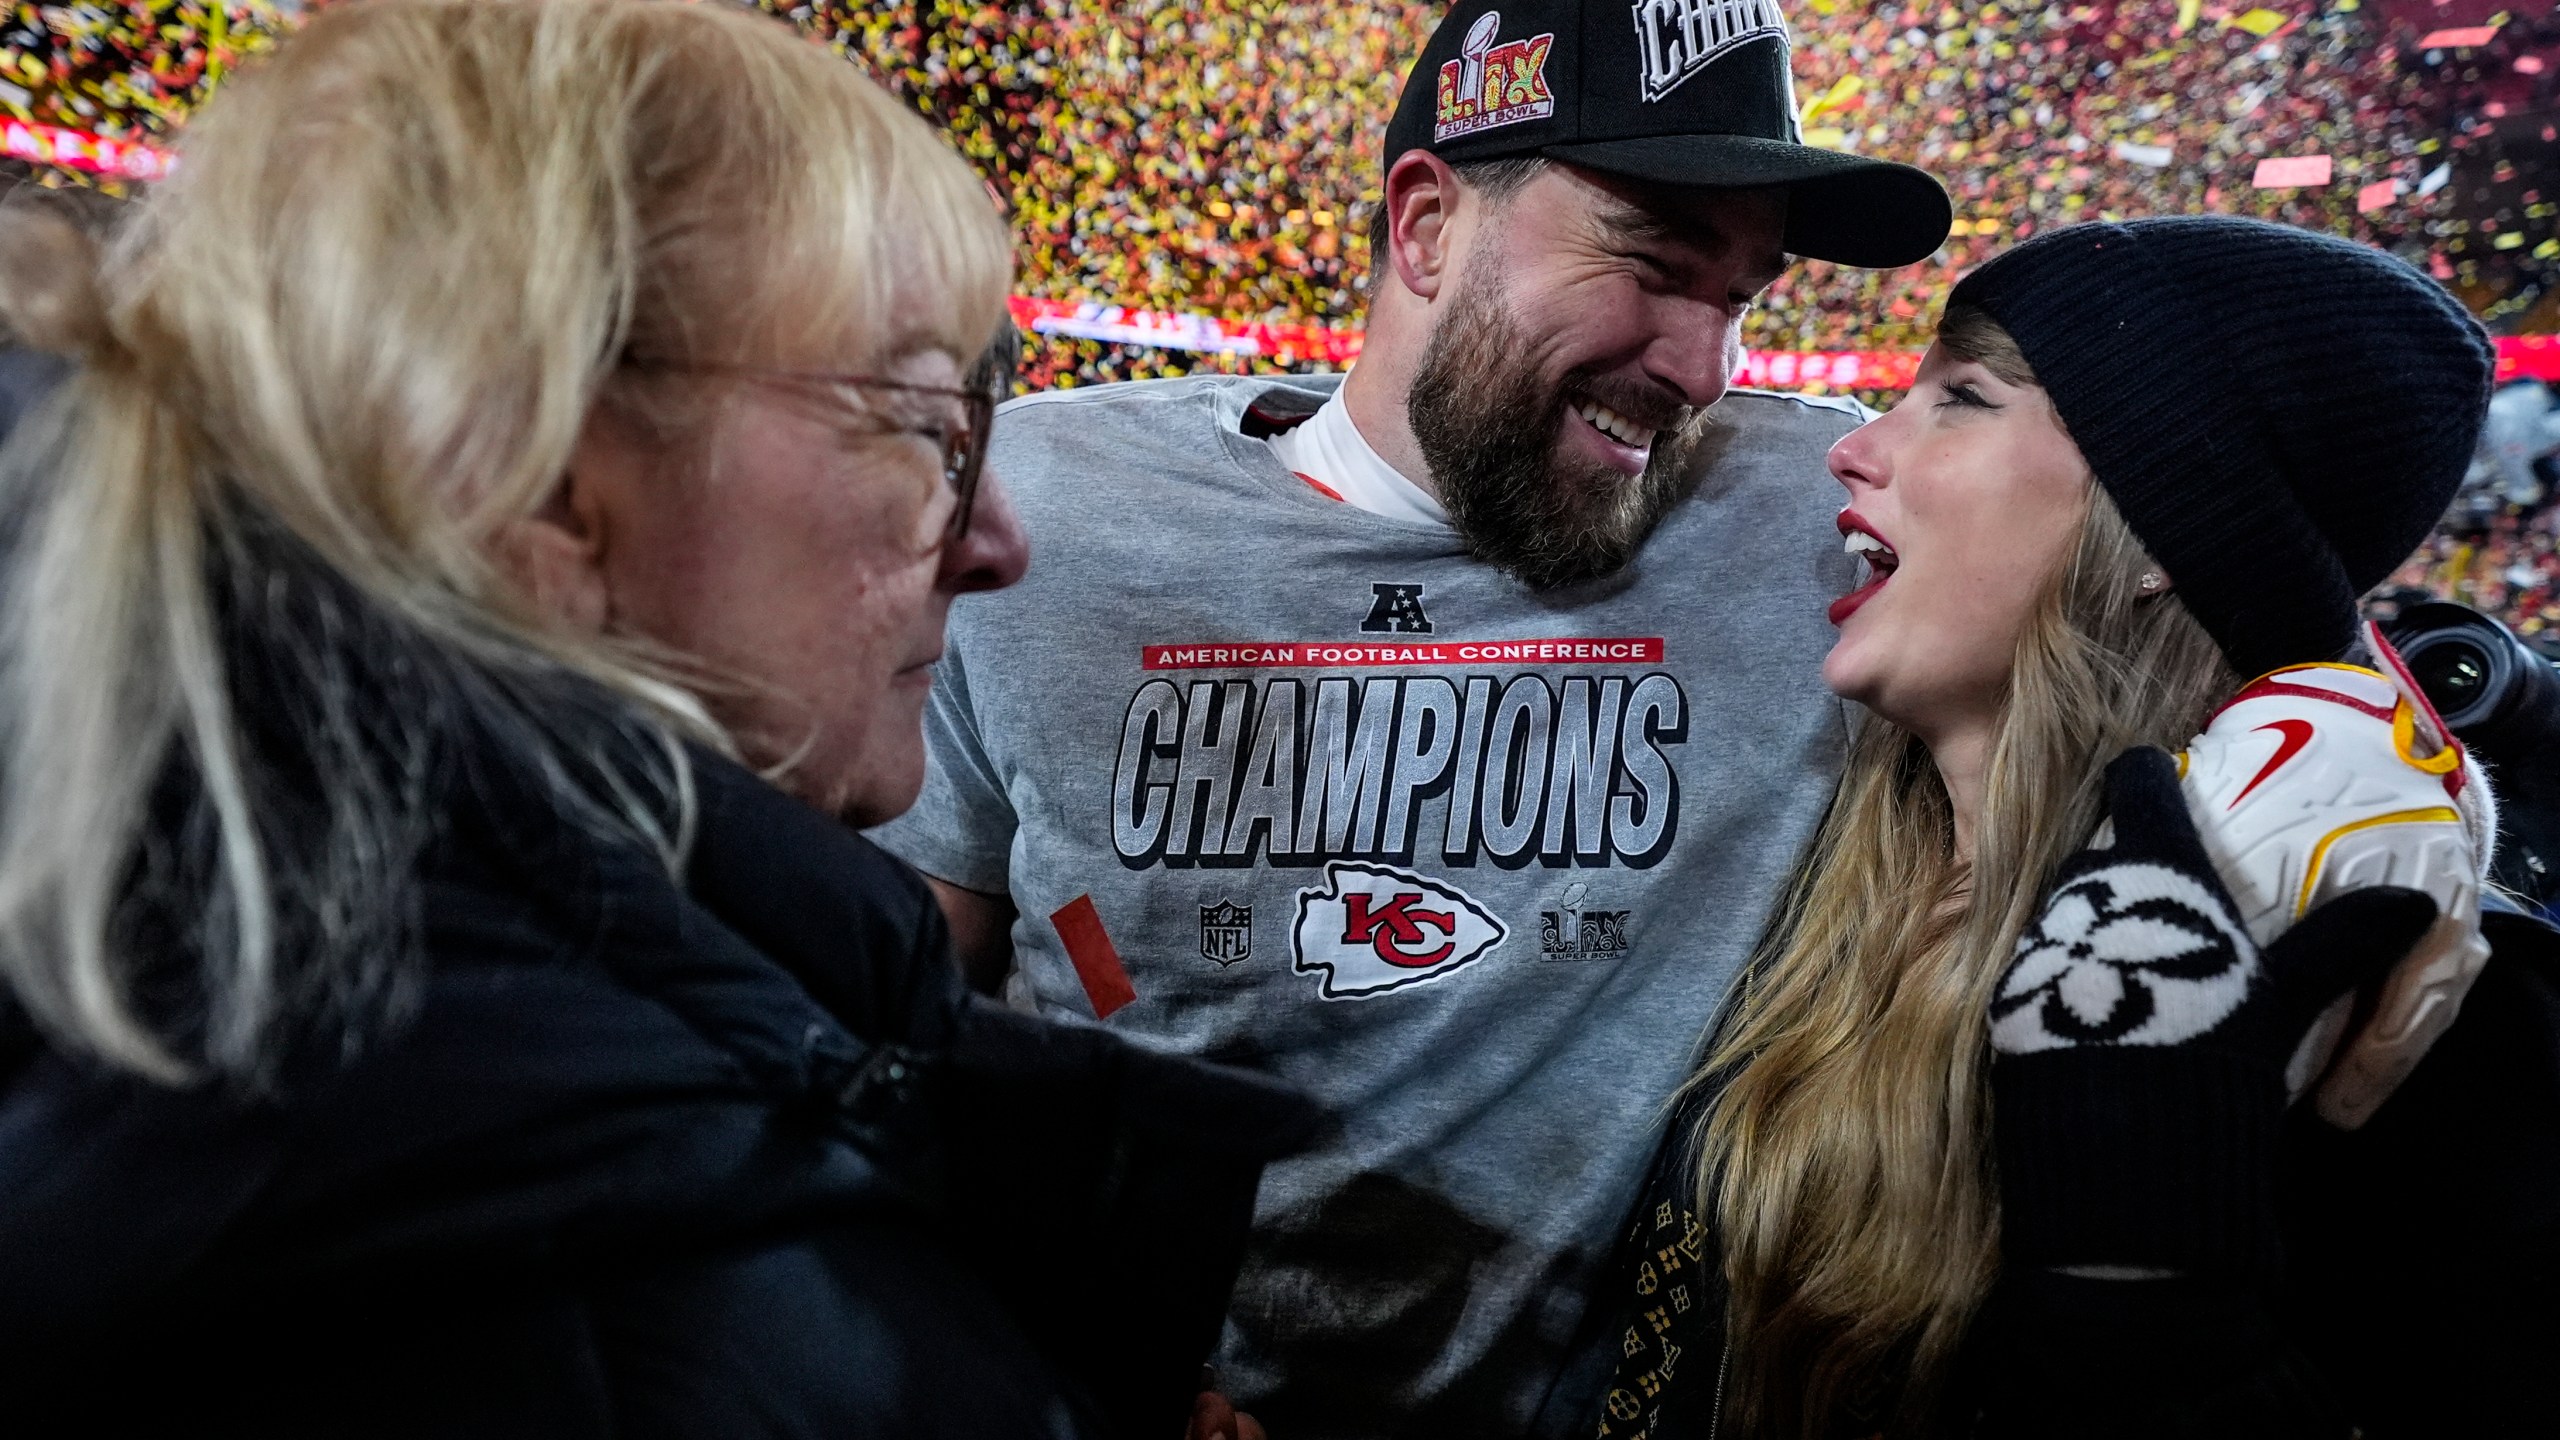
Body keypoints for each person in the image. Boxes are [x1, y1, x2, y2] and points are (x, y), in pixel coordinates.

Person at [0, 1, 1309, 1435]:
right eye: (931, 427)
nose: (998, 542)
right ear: (542, 470)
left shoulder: (271, 1011)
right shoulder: (632, 1300)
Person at [867, 0, 1950, 1431]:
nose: (1702, 366)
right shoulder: (1047, 521)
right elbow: (888, 1023)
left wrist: (2339, 781)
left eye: (1741, 296)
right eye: (1651, 262)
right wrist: (1048, 1351)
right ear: (1428, 228)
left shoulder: (1826, 518)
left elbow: (2153, 532)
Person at [1587, 216, 2560, 1439]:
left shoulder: (2365, 982)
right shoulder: (1824, 831)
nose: (1856, 447)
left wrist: (2155, 1319)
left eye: (1962, 397)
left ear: (2157, 521)